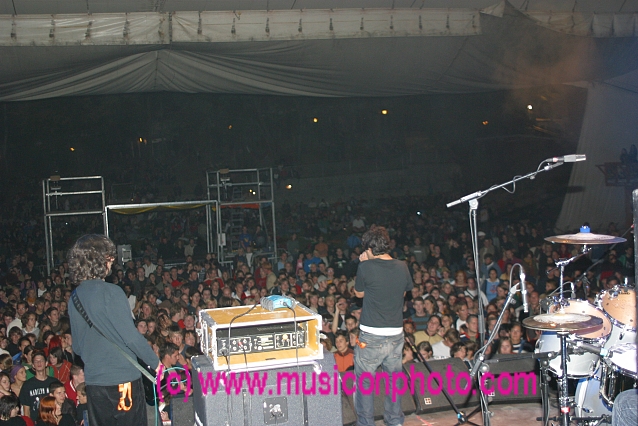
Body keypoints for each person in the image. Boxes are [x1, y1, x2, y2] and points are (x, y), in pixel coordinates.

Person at [67, 235, 161, 426]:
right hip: (123, 379)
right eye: (109, 256)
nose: (112, 260)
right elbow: (131, 337)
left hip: (95, 382)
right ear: (99, 260)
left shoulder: (74, 298)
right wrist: (155, 363)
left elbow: (76, 348)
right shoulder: (113, 292)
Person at [353, 227, 413, 426]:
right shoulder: (403, 266)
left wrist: (364, 264)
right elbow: (403, 293)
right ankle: (394, 421)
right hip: (396, 333)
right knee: (394, 380)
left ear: (370, 248)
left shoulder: (366, 267)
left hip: (371, 334)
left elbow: (358, 294)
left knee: (365, 381)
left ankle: (366, 423)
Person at [19, 351, 57, 421]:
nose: (39, 363)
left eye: (41, 361)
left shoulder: (55, 382)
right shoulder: (27, 385)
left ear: (46, 363)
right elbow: (26, 410)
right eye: (36, 361)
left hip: (53, 421)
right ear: (33, 365)